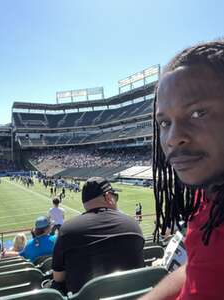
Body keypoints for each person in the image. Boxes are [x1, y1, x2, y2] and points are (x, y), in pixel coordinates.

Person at [139, 40, 224, 299]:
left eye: (197, 113)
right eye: (164, 122)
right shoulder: (210, 191)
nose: (173, 138)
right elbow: (196, 268)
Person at [52, 176, 145, 294]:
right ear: (108, 197)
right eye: (115, 196)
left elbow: (58, 278)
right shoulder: (133, 225)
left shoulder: (67, 230)